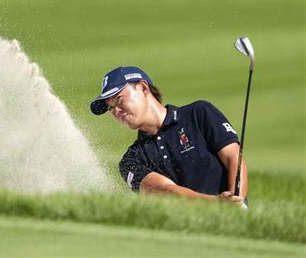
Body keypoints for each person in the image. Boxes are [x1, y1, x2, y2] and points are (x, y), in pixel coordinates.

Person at [90, 66, 248, 206]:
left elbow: (233, 157)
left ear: (143, 88)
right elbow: (163, 191)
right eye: (110, 108)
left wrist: (237, 201)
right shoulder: (131, 161)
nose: (116, 111)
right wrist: (217, 204)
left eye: (119, 100)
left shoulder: (198, 114)